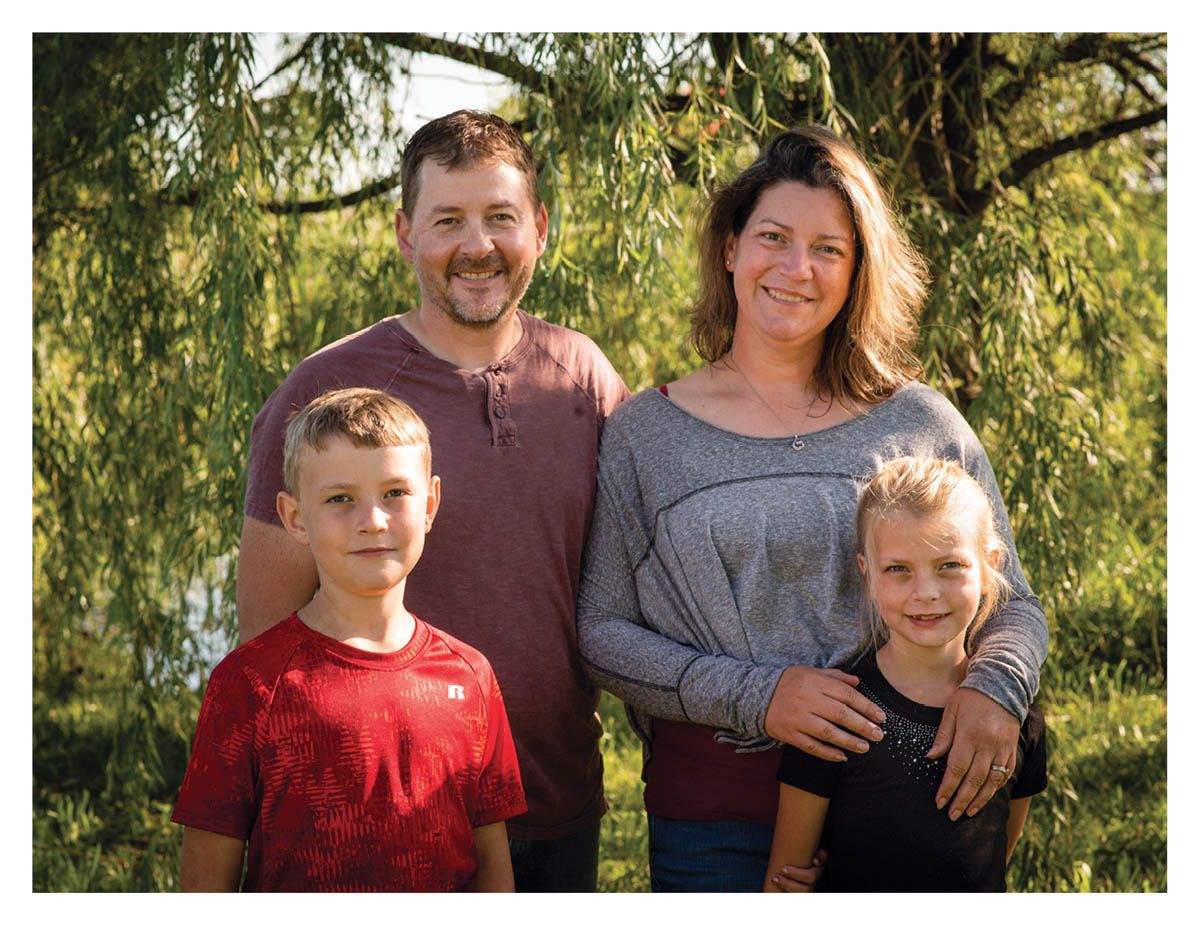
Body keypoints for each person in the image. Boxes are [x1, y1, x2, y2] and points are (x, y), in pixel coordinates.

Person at [576, 126, 1048, 892]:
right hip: (715, 824)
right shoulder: (645, 433)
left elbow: (1013, 602)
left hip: (908, 801)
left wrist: (998, 687)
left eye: (829, 248)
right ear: (730, 248)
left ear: (858, 269)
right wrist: (760, 696)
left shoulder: (920, 421)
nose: (797, 268)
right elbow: (600, 633)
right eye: (773, 237)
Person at [235, 110, 630, 891]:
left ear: (540, 229)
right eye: (448, 219)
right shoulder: (326, 391)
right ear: (405, 233)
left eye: (500, 217)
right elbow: (265, 650)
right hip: (375, 822)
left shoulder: (584, 378)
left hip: (557, 812)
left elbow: (636, 583)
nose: (477, 245)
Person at [173, 388, 526, 891]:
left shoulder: (470, 677)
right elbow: (206, 885)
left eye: (395, 494)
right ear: (295, 518)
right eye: (340, 499)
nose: (373, 521)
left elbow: (493, 868)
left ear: (430, 504)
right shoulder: (250, 683)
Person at [764, 456, 1047, 892]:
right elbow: (786, 882)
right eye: (899, 569)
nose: (926, 593)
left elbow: (996, 859)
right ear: (868, 574)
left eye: (949, 565)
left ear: (990, 566)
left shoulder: (1015, 717)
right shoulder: (836, 715)